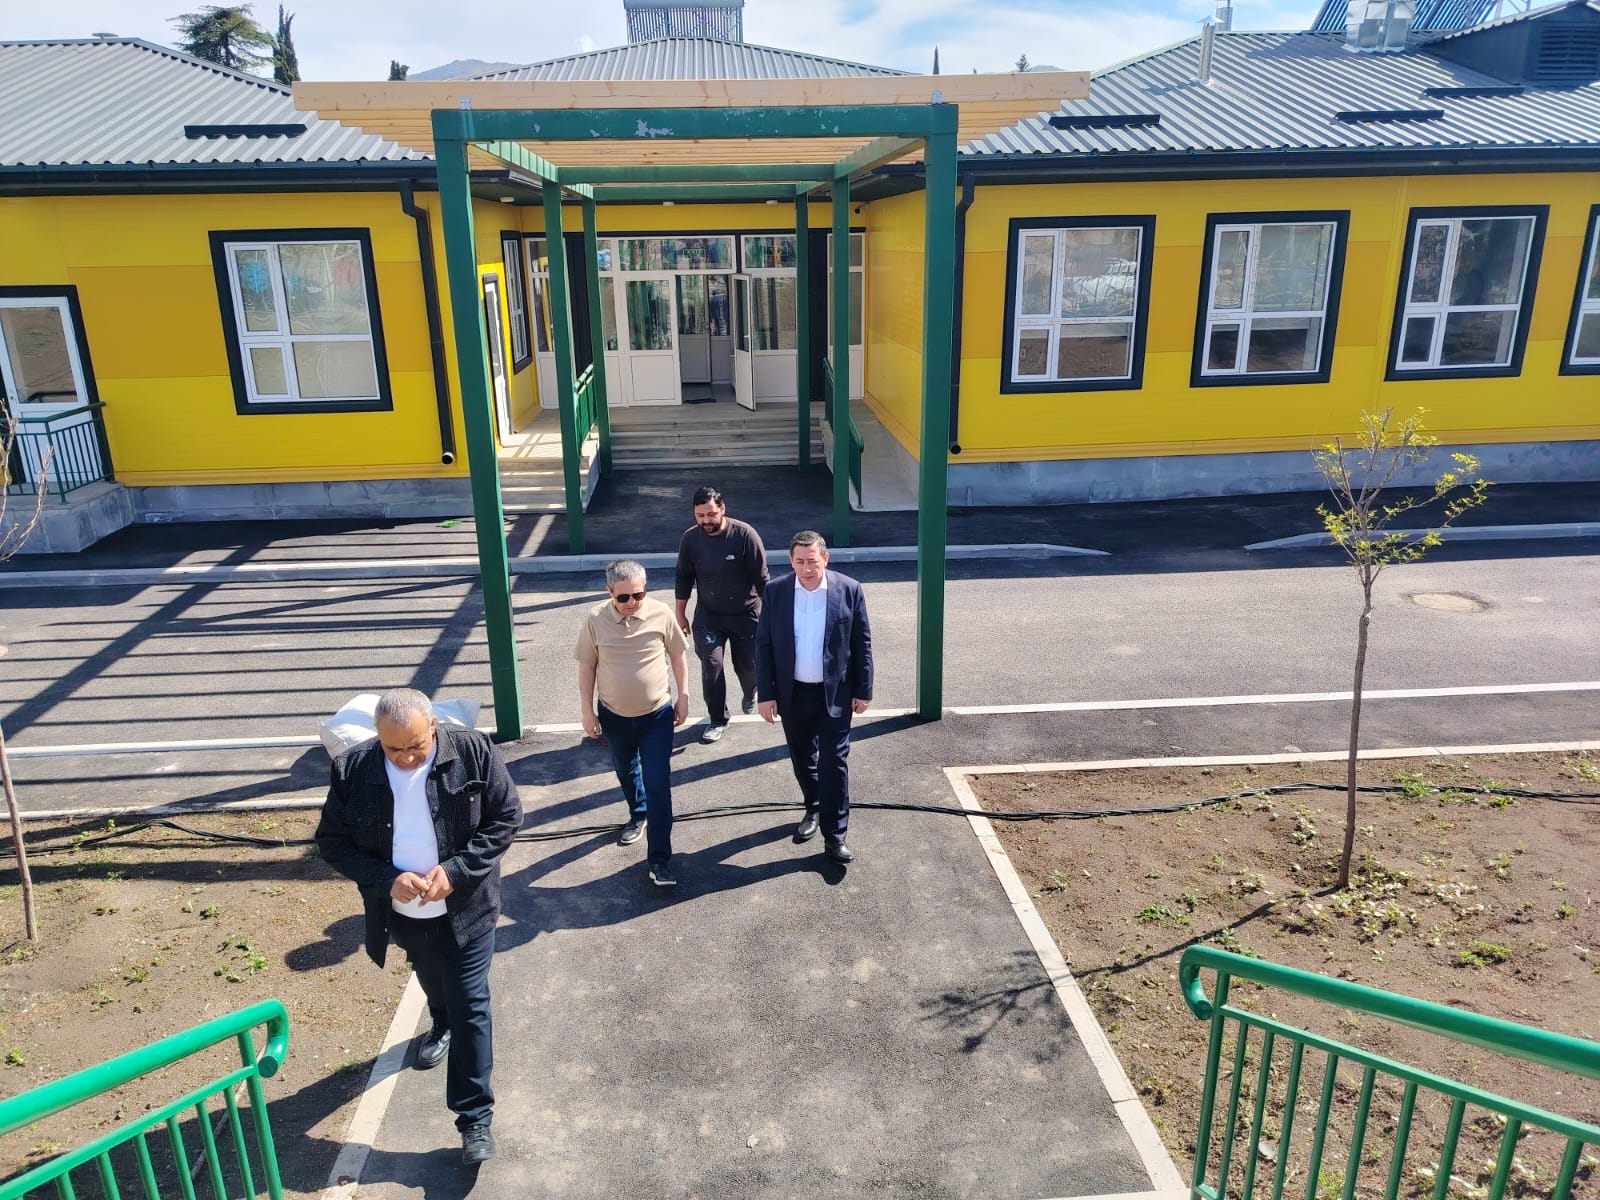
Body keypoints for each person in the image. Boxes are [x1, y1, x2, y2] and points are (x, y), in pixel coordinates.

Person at [315, 688, 522, 1166]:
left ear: (433, 727)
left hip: (467, 911)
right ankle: (440, 1020)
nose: (406, 758)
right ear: (377, 737)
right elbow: (332, 841)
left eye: (416, 746)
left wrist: (456, 871)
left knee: (471, 1004)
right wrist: (386, 880)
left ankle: (474, 1120)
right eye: (394, 749)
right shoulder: (352, 769)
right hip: (404, 916)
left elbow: (506, 816)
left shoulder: (472, 752)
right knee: (432, 980)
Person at [755, 531, 873, 865]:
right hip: (792, 694)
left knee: (833, 763)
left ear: (825, 559)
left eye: (812, 561)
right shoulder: (776, 591)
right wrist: (766, 694)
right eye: (800, 562)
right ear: (791, 562)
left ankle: (835, 838)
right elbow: (763, 644)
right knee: (803, 758)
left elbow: (861, 642)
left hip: (835, 695)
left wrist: (863, 690)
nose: (807, 569)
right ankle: (814, 807)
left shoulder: (848, 589)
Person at [575, 560, 690, 887]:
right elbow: (587, 668)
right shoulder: (595, 620)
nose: (631, 603)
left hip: (657, 715)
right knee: (625, 770)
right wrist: (587, 711)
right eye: (623, 597)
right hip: (614, 716)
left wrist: (684, 695)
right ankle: (638, 814)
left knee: (658, 783)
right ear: (609, 592)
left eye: (638, 595)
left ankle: (659, 860)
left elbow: (678, 656)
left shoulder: (661, 613)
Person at [674, 485, 769, 744]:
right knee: (711, 665)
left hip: (746, 615)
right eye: (700, 515)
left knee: (747, 665)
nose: (706, 520)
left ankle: (750, 691)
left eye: (711, 514)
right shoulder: (690, 539)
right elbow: (683, 578)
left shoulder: (745, 535)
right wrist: (680, 614)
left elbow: (762, 579)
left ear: (723, 509)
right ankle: (717, 719)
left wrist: (772, 616)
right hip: (709, 616)